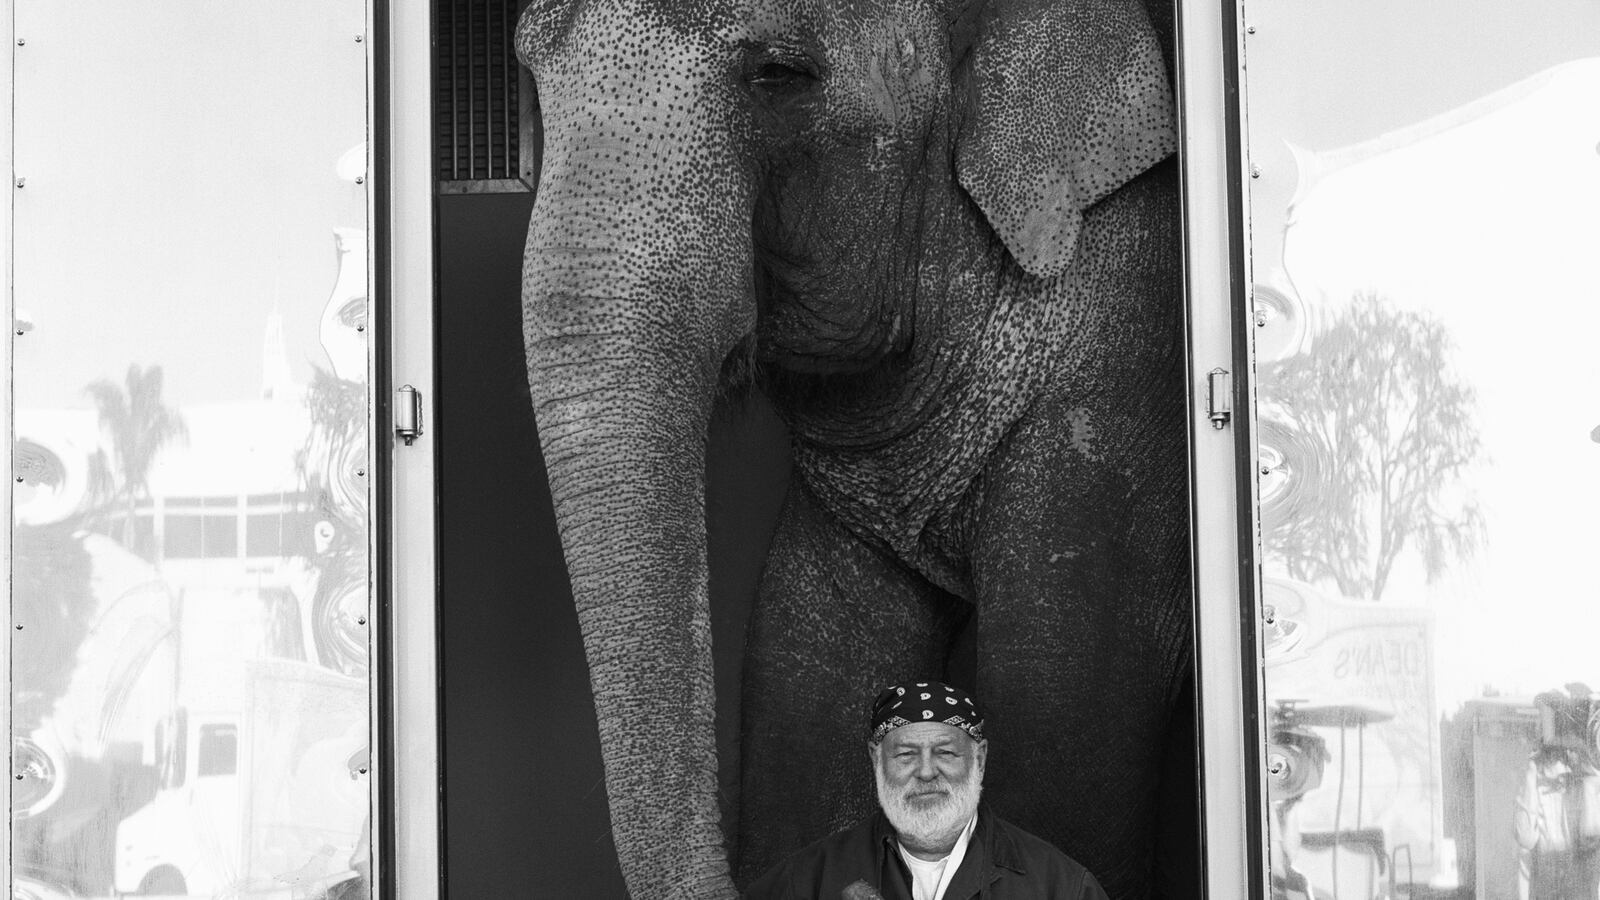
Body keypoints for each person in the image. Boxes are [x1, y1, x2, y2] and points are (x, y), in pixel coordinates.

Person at [744, 681, 1110, 900]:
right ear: (876, 759)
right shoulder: (810, 880)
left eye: (945, 753)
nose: (925, 772)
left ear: (979, 759)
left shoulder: (1060, 887)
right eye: (905, 754)